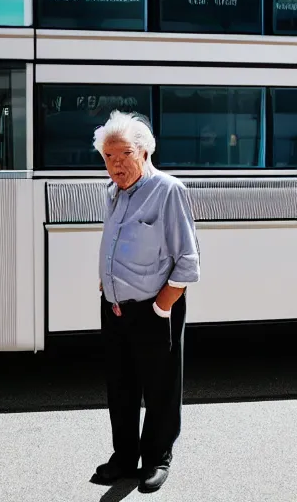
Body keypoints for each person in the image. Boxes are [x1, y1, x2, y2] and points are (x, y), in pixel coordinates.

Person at [93, 111, 200, 493]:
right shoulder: (113, 192)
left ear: (144, 151)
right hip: (116, 310)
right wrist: (107, 286)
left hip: (154, 309)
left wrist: (161, 308)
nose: (115, 164)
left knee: (160, 387)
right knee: (120, 388)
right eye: (107, 157)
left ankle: (156, 458)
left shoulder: (169, 190)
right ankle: (124, 457)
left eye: (122, 154)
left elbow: (187, 262)